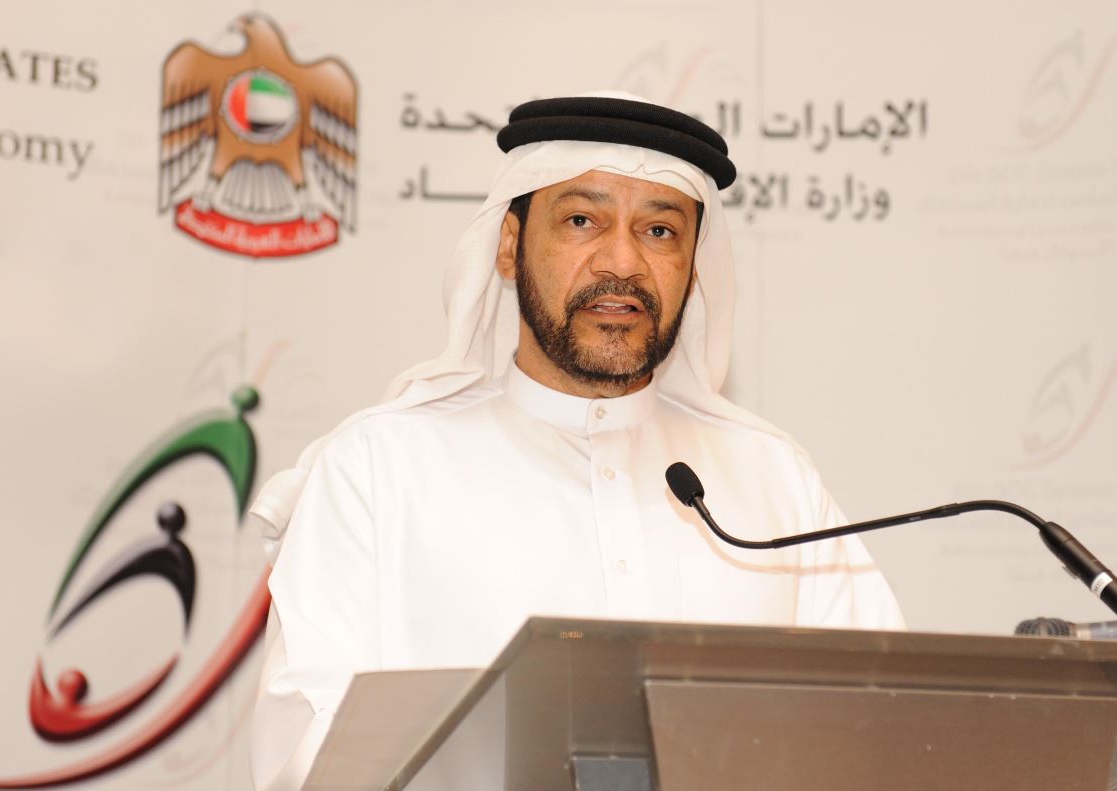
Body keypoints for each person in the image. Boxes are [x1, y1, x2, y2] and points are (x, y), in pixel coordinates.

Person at [248, 91, 904, 790]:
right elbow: (307, 754)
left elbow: (887, 731)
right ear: (508, 246)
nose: (621, 262)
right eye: (582, 220)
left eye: (659, 231)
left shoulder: (772, 481)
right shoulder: (380, 469)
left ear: (693, 267)